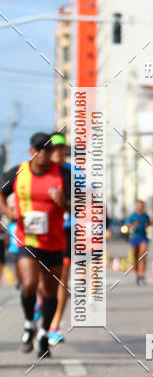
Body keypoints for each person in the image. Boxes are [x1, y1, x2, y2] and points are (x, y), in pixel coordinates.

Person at [0, 132, 71, 358]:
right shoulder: (18, 171)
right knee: (29, 284)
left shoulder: (63, 173)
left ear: (52, 153)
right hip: (26, 238)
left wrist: (64, 202)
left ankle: (43, 334)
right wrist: (7, 211)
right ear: (31, 150)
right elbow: (1, 193)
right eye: (39, 148)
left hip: (54, 240)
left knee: (50, 291)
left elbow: (77, 205)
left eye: (48, 149)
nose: (43, 153)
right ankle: (29, 323)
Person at [46, 131, 71, 346]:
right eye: (52, 147)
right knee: (39, 280)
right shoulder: (35, 171)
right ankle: (41, 304)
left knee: (62, 279)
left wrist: (65, 203)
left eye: (61, 147)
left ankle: (54, 325)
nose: (57, 152)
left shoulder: (72, 173)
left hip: (66, 231)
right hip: (41, 233)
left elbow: (86, 204)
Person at [125, 199, 152, 284]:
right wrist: (133, 225)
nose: (140, 207)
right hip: (134, 237)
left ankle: (142, 274)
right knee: (135, 257)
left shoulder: (145, 216)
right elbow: (126, 226)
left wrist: (148, 225)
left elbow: (148, 223)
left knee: (143, 254)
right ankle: (137, 273)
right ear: (137, 206)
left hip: (143, 237)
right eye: (139, 205)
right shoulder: (132, 216)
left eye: (142, 205)